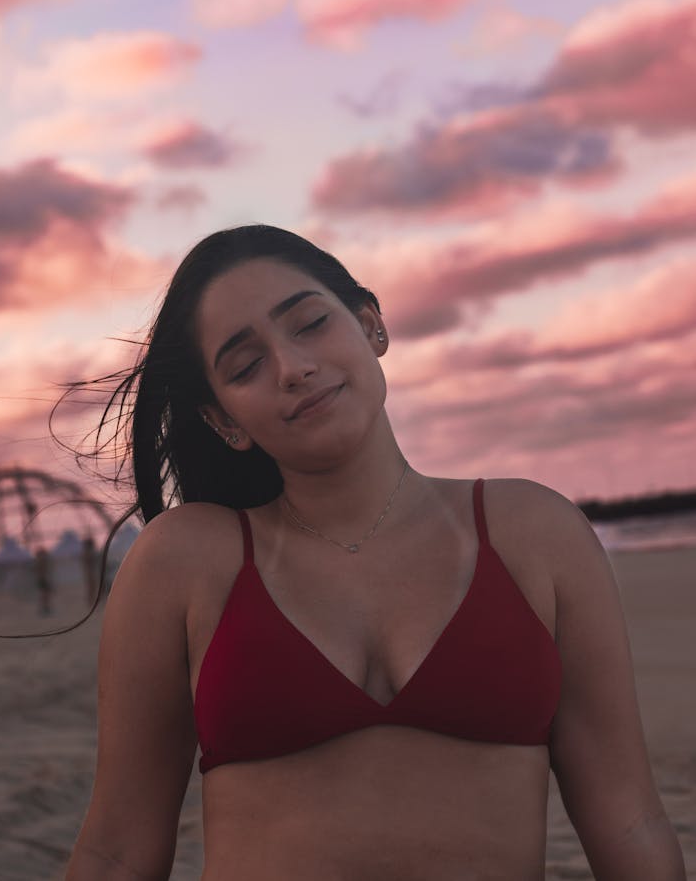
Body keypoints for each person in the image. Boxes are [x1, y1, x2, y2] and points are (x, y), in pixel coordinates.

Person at [63, 224, 685, 880]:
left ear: (371, 327)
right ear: (224, 420)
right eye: (246, 366)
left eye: (309, 324)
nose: (292, 367)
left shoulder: (535, 533)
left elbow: (630, 821)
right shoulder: (184, 562)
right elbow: (117, 851)